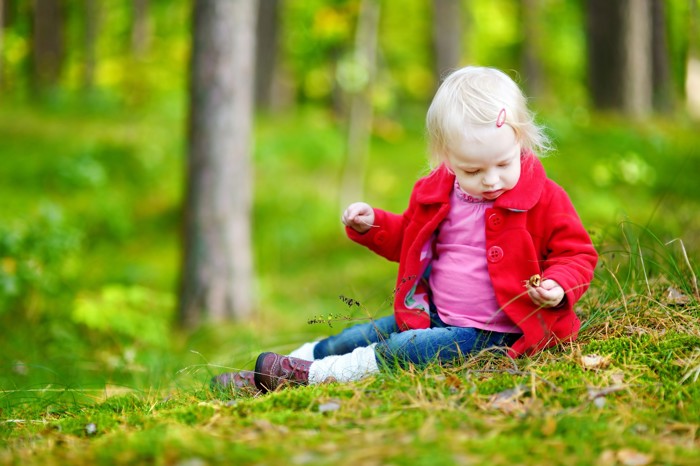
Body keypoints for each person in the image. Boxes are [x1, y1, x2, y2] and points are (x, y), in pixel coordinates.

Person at [212, 66, 598, 395]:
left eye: (502, 164)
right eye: (473, 171)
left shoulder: (544, 197)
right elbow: (409, 241)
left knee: (407, 347)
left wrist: (558, 284)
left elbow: (577, 253)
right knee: (357, 336)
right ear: (446, 158)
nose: (491, 180)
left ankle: (313, 378)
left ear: (522, 141)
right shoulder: (436, 193)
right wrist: (373, 224)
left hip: (497, 333)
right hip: (431, 312)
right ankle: (277, 371)